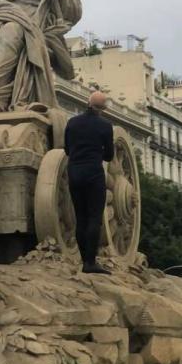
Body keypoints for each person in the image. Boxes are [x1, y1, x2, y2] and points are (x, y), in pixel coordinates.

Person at [64, 91, 114, 275]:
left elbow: (67, 149)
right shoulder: (105, 126)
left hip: (75, 172)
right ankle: (90, 262)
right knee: (94, 217)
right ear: (103, 109)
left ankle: (84, 259)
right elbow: (109, 155)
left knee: (81, 217)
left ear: (88, 102)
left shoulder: (72, 122)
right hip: (93, 173)